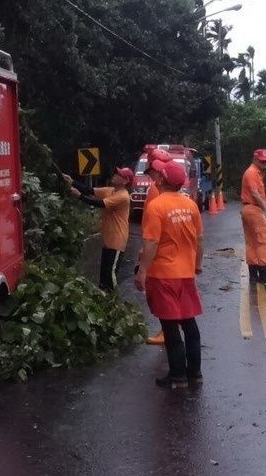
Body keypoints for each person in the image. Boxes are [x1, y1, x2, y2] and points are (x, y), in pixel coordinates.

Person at [135, 159, 204, 389]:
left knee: (171, 327)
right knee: (189, 324)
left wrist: (142, 271)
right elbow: (199, 239)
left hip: (163, 274)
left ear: (162, 179)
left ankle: (177, 377)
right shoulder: (191, 205)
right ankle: (195, 373)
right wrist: (197, 264)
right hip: (185, 273)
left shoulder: (156, 206)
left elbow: (151, 243)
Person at [62, 168, 134, 291]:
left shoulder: (123, 196)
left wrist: (79, 197)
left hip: (117, 241)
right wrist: (72, 181)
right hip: (108, 240)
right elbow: (90, 191)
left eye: (119, 175)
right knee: (103, 277)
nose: (115, 175)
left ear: (125, 181)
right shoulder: (110, 190)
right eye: (116, 173)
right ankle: (104, 300)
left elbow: (100, 204)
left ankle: (114, 302)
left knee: (111, 277)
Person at [140, 148, 173, 346]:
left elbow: (155, 224)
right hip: (163, 246)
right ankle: (168, 330)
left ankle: (167, 331)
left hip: (158, 248)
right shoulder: (162, 188)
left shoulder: (155, 190)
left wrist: (145, 251)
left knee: (160, 295)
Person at [241, 148, 266, 286]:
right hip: (253, 210)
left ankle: (253, 275)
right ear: (255, 159)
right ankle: (265, 275)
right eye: (262, 162)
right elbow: (255, 193)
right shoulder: (252, 172)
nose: (265, 165)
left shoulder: (255, 172)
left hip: (248, 209)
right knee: (262, 242)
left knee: (252, 242)